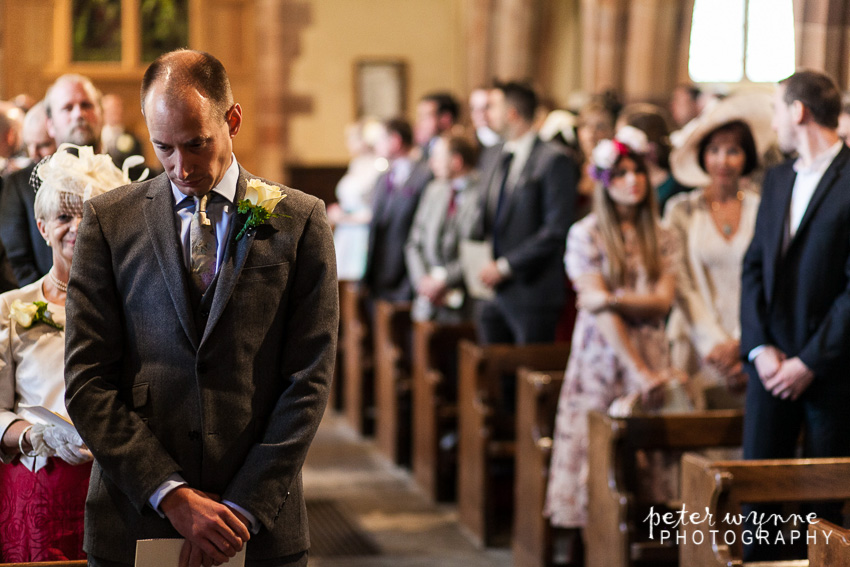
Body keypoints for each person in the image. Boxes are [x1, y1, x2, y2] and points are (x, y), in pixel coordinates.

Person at [64, 49, 337, 567]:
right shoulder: (110, 221)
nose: (181, 167)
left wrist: (241, 508)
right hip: (134, 517)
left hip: (259, 524)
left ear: (232, 119)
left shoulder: (300, 221)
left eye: (197, 144)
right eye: (163, 147)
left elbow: (310, 378)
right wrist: (170, 494)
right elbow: (86, 378)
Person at [544, 130, 678, 563]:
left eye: (638, 170)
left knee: (652, 458)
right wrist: (636, 366)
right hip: (602, 356)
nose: (633, 180)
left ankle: (647, 550)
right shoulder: (585, 234)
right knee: (596, 454)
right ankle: (589, 549)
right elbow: (598, 313)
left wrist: (613, 297)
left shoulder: (663, 234)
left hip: (653, 352)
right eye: (620, 173)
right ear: (604, 181)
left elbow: (663, 299)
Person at [0, 144, 132, 561]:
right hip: (40, 489)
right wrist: (33, 436)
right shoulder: (8, 307)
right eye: (63, 217)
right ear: (42, 227)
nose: (77, 227)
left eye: (89, 215)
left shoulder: (137, 304)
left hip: (119, 485)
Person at [740, 70, 850, 561]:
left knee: (824, 507)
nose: (774, 121)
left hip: (830, 371)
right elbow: (754, 269)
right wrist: (761, 348)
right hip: (769, 366)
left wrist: (808, 362)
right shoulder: (778, 178)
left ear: (799, 111)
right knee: (757, 501)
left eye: (776, 109)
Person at [666, 93, 775, 409]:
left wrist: (742, 343)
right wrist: (713, 343)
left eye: (733, 151)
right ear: (702, 156)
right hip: (696, 344)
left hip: (752, 343)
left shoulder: (764, 207)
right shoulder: (682, 210)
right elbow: (681, 284)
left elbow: (767, 278)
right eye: (714, 150)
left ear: (747, 156)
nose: (723, 161)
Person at [471, 81, 576, 344]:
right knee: (493, 376)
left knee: (527, 375)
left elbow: (556, 229)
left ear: (512, 113)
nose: (486, 114)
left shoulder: (553, 160)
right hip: (489, 291)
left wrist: (506, 266)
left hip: (532, 291)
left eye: (492, 107)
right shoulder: (493, 154)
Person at [1, 74, 103, 287]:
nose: (79, 114)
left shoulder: (132, 175)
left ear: (100, 113)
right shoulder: (21, 184)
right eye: (67, 107)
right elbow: (16, 260)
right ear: (50, 124)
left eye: (86, 105)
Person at [405, 135, 480, 323]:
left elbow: (479, 248)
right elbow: (414, 243)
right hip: (426, 300)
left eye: (437, 157)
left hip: (464, 301)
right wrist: (423, 281)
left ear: (456, 161)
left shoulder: (482, 193)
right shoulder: (433, 190)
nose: (431, 163)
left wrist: (444, 280)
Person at [363, 118, 424, 301]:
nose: (376, 145)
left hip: (406, 272)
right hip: (379, 269)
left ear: (396, 140)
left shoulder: (423, 175)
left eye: (381, 138)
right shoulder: (383, 178)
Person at [327, 118, 382, 281]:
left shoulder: (378, 166)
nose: (347, 143)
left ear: (364, 140)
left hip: (362, 231)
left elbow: (375, 208)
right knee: (344, 284)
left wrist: (346, 217)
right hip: (347, 230)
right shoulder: (356, 163)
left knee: (359, 284)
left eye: (351, 138)